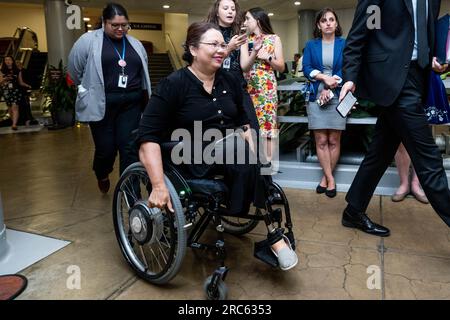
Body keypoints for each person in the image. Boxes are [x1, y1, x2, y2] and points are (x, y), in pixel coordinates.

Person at [138, 22, 298, 271]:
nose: (221, 50)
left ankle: (265, 220)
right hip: (188, 155)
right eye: (213, 44)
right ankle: (274, 235)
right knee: (240, 153)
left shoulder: (230, 79)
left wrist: (257, 156)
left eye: (223, 45)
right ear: (192, 49)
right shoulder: (174, 84)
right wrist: (158, 186)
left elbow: (243, 123)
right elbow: (147, 136)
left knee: (256, 157)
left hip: (228, 151)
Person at [340, 0, 450, 237]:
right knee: (428, 157)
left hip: (418, 78)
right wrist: (349, 76)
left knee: (379, 154)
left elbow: (422, 35)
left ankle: (353, 211)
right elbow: (359, 36)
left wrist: (431, 59)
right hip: (392, 82)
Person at [68, 3, 151, 194]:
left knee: (129, 150)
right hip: (102, 104)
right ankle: (102, 173)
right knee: (106, 150)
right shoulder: (88, 40)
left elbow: (143, 72)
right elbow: (74, 69)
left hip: (131, 104)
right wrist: (87, 89)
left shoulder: (135, 44)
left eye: (124, 25)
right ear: (104, 22)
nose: (121, 29)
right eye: (115, 25)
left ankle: (131, 197)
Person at [302, 8, 346, 198]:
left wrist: (332, 82)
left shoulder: (345, 44)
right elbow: (306, 68)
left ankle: (326, 179)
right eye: (323, 21)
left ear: (336, 24)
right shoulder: (311, 45)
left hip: (338, 94)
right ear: (318, 25)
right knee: (320, 140)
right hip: (316, 96)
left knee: (334, 140)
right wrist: (323, 79)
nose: (328, 23)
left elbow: (350, 67)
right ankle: (330, 178)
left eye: (331, 20)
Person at [205, 0, 259, 131]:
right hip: (216, 84)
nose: (230, 11)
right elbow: (207, 64)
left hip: (238, 84)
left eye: (233, 9)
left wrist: (255, 51)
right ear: (217, 12)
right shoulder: (209, 33)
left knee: (253, 129)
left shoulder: (239, 33)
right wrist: (229, 48)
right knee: (223, 129)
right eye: (226, 8)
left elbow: (245, 66)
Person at [240, 7, 285, 163]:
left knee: (268, 128)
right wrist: (255, 53)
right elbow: (244, 66)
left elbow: (281, 66)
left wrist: (268, 57)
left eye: (247, 19)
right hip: (249, 89)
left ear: (257, 20)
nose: (245, 22)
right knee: (251, 127)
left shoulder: (274, 39)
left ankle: (268, 169)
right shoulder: (244, 40)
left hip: (267, 89)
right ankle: (254, 167)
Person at [0, 56, 29, 130]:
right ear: (4, 62)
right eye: (6, 60)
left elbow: (21, 82)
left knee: (15, 107)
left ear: (12, 61)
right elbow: (0, 82)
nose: (7, 61)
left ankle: (14, 124)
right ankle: (13, 121)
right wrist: (5, 79)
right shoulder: (1, 71)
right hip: (6, 91)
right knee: (10, 108)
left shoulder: (18, 70)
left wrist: (27, 85)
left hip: (15, 91)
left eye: (9, 60)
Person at [16, 60, 35, 127]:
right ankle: (23, 119)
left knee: (26, 105)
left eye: (19, 64)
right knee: (21, 106)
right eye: (17, 64)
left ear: (21, 64)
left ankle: (28, 119)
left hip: (24, 91)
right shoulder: (17, 72)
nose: (18, 65)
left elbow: (28, 80)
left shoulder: (25, 71)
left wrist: (28, 86)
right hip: (19, 91)